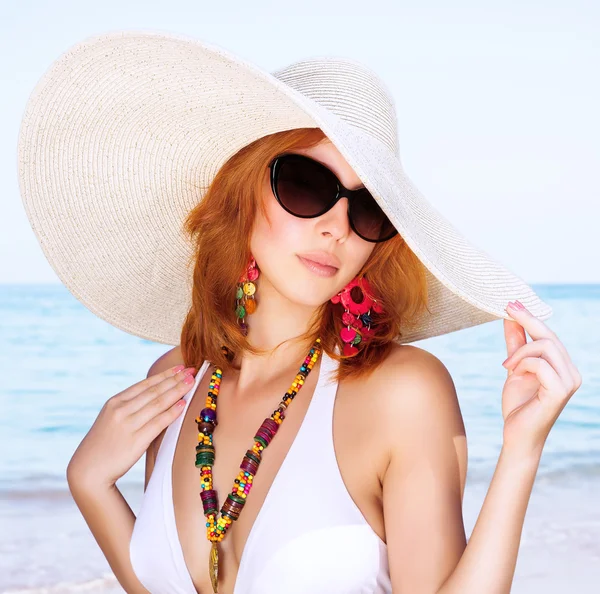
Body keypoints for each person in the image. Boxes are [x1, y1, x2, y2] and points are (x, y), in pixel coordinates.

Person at [17, 31, 582, 594]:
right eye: (307, 186)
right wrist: (89, 483)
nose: (336, 226)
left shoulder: (401, 391)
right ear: (240, 195)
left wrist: (521, 452)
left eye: (367, 208)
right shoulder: (175, 381)